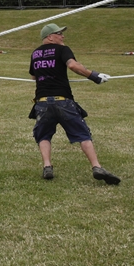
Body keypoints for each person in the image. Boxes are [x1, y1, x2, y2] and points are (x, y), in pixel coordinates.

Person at [28, 23, 120, 184]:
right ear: (50, 37)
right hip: (63, 101)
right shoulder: (63, 50)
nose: (63, 36)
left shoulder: (35, 53)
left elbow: (34, 77)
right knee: (83, 135)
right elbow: (72, 65)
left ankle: (47, 166)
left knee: (43, 135)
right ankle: (97, 167)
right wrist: (94, 76)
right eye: (59, 33)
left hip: (42, 103)